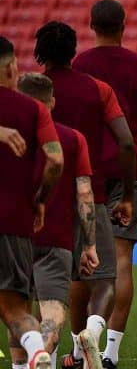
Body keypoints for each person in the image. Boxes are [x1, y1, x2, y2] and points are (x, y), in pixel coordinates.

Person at [31, 20, 136, 369]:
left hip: (39, 202)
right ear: (75, 50)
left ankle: (43, 349)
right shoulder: (98, 89)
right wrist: (127, 196)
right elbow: (126, 142)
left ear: (39, 52)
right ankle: (92, 329)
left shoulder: (30, 92)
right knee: (104, 279)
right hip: (90, 194)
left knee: (44, 289)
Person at [71, 0, 137, 369]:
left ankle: (77, 350)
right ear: (125, 24)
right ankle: (110, 353)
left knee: (81, 259)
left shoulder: (78, 66)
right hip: (128, 169)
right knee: (122, 259)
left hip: (86, 171)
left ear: (91, 25)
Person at [9, 73, 98, 369]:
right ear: (53, 102)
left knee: (18, 312)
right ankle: (44, 349)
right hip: (57, 240)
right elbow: (84, 193)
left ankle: (27, 361)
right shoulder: (73, 139)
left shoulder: (10, 138)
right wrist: (89, 244)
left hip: (13, 234)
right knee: (50, 315)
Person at [0, 35, 63, 369]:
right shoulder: (34, 109)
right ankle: (38, 350)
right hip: (14, 220)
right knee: (16, 311)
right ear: (12, 67)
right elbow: (55, 160)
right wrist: (40, 200)